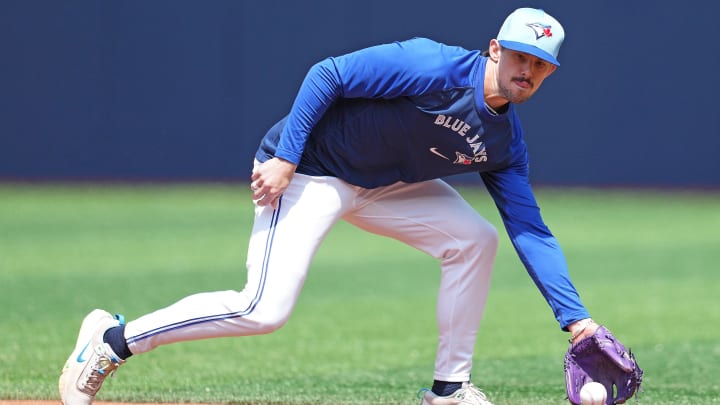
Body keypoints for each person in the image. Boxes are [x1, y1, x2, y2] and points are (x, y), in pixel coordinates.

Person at [59, 8, 607, 405]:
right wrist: (287, 157)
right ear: (495, 48)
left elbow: (530, 231)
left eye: (539, 64)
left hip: (385, 186)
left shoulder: (505, 144)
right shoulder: (431, 65)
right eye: (520, 56)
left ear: (550, 73)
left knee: (477, 240)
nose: (527, 70)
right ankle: (110, 342)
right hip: (311, 169)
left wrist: (576, 319)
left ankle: (448, 389)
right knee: (261, 310)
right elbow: (329, 74)